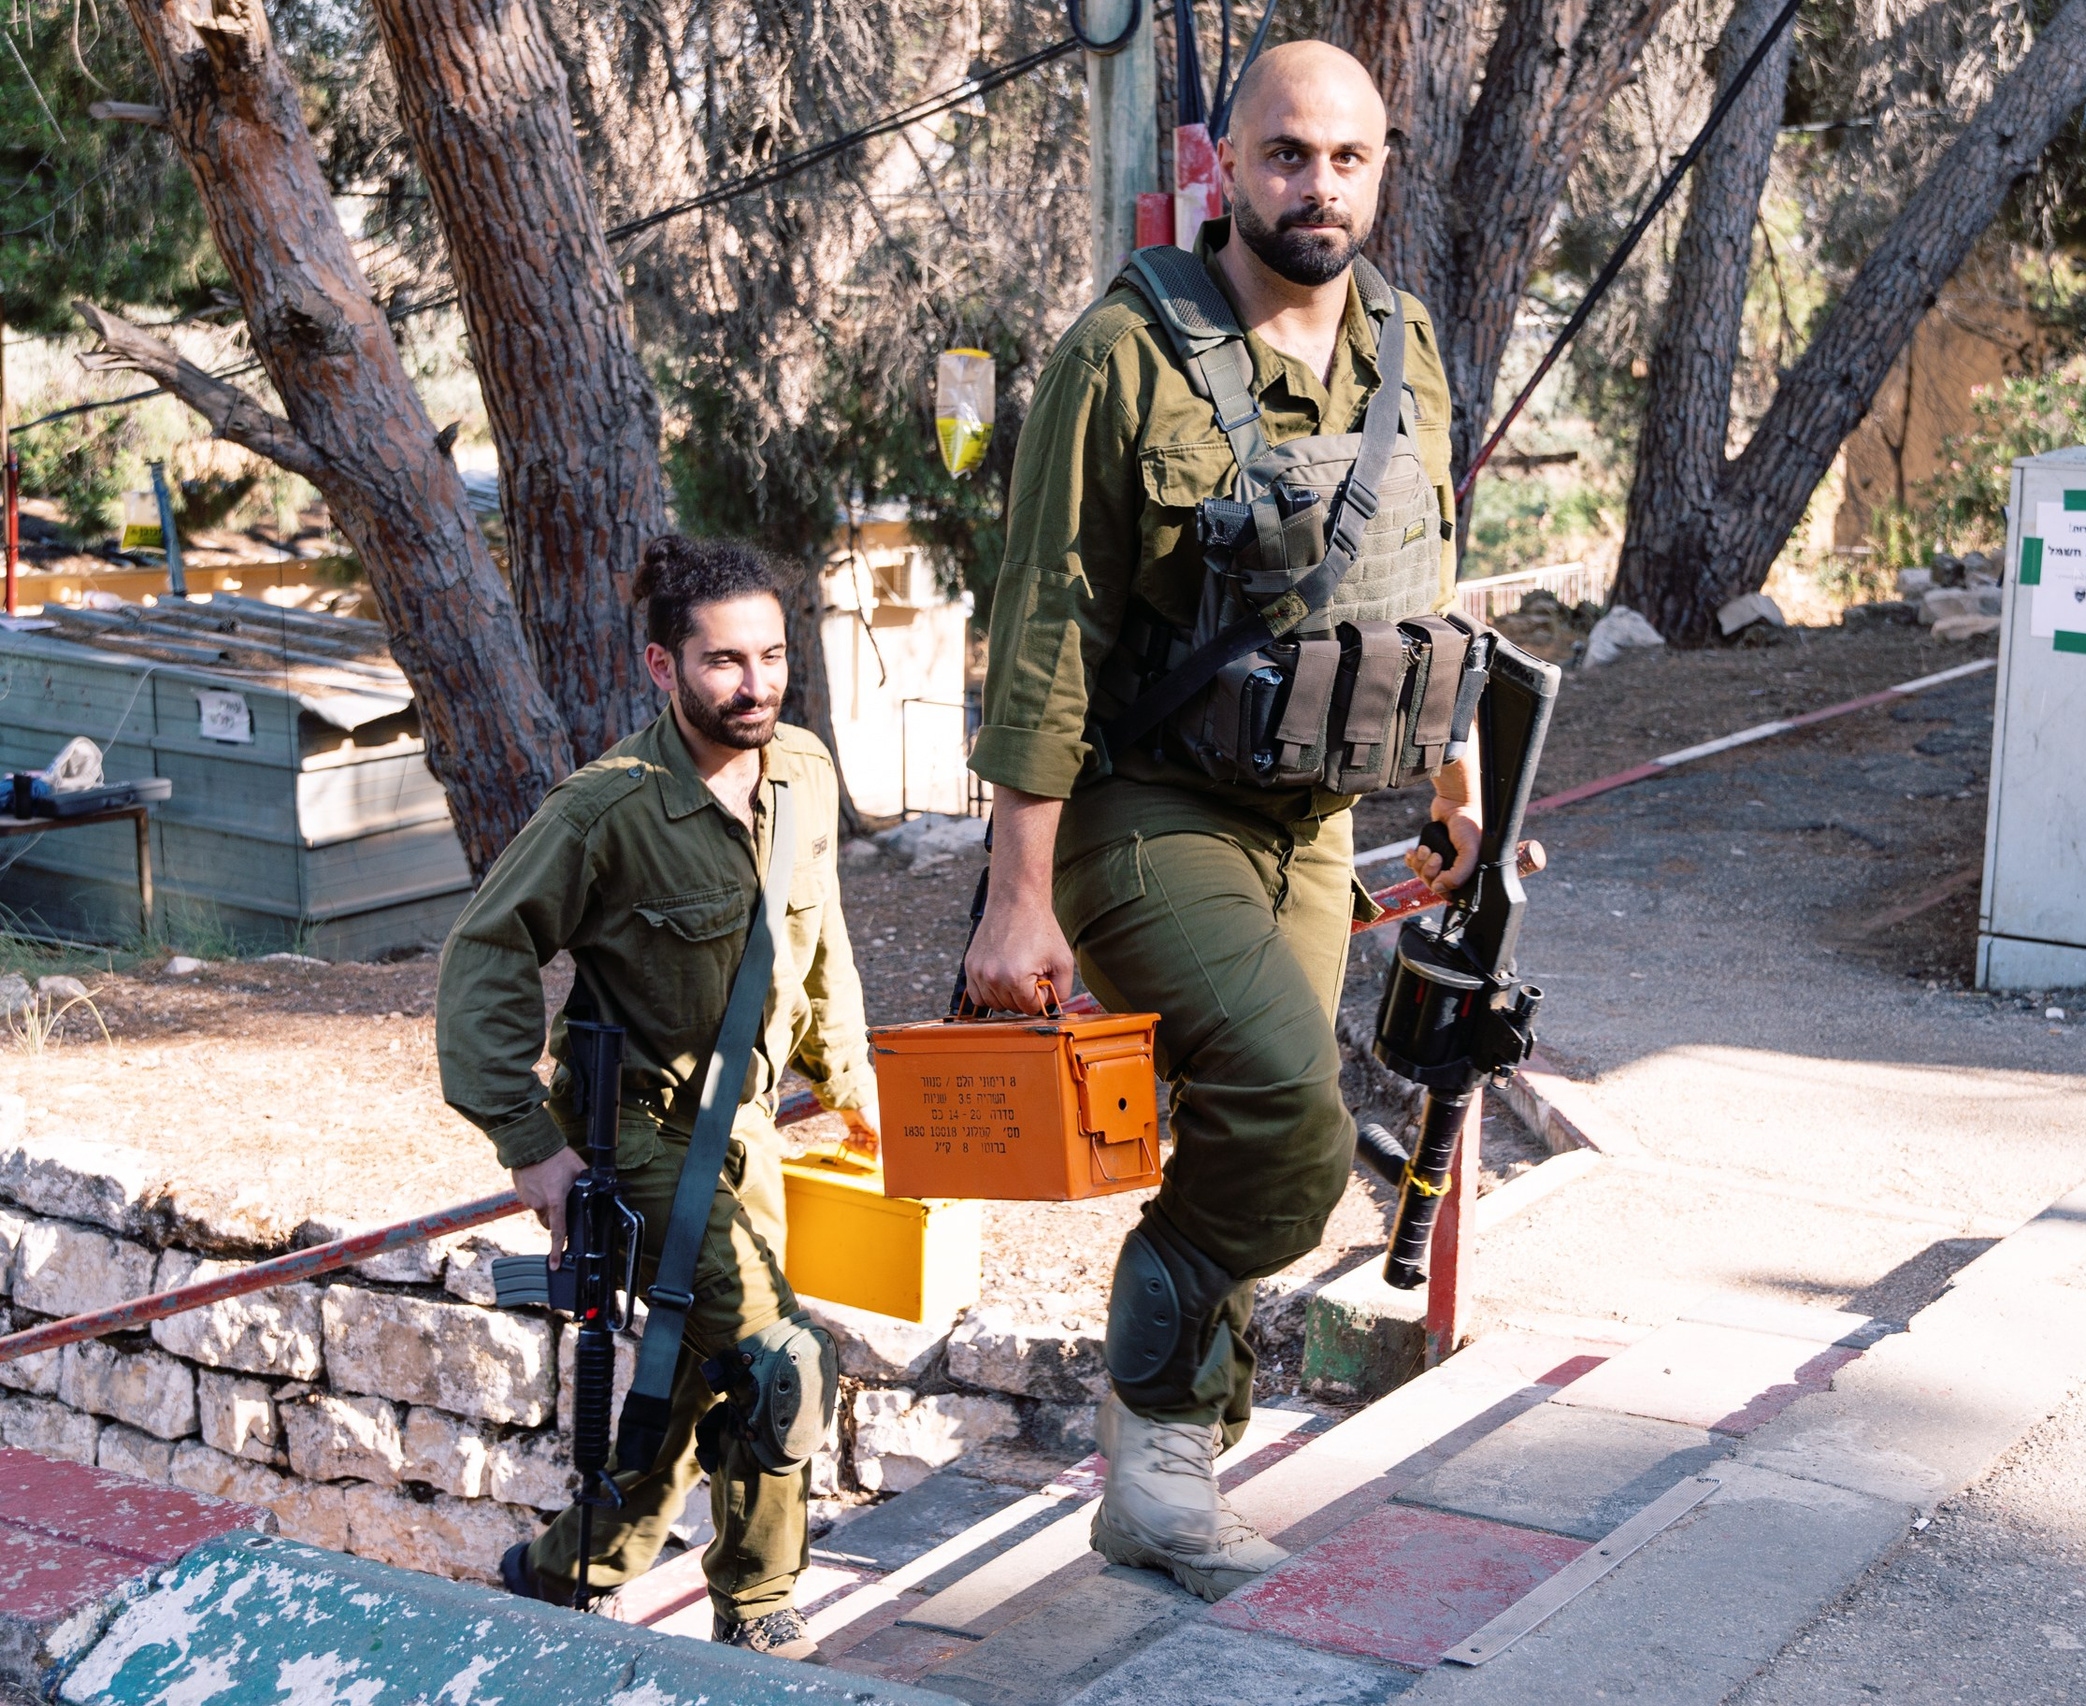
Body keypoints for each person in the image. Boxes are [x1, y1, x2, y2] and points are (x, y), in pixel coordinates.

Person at [963, 39, 1482, 1601]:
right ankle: (1157, 1462)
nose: (1314, 186)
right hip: (1143, 807)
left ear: (1382, 165)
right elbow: (1045, 623)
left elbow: (1430, 566)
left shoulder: (1409, 341)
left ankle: (1178, 1439)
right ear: (1225, 164)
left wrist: (1452, 769)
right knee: (1288, 1109)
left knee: (1270, 1125)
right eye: (1283, 155)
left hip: (1311, 818)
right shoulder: (1119, 353)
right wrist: (1017, 894)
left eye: (1345, 158)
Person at [435, 535, 877, 1658]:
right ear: (659, 665)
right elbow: (485, 955)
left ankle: (560, 1567)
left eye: (771, 654)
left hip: (747, 1138)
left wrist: (853, 1080)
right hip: (636, 1135)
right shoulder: (606, 809)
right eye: (724, 660)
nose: (756, 683)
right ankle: (758, 1609)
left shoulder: (806, 771)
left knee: (685, 1378)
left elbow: (819, 941)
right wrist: (530, 1145)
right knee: (784, 1361)